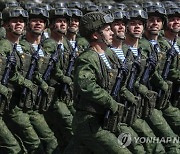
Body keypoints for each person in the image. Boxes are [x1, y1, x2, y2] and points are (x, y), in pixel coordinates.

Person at [66, 11, 132, 154]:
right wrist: (111, 102)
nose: (112, 33)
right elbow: (87, 86)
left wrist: (128, 95)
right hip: (89, 122)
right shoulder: (88, 58)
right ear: (96, 35)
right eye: (107, 30)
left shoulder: (110, 55)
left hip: (105, 118)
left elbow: (116, 82)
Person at [122, 9, 166, 153]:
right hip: (126, 106)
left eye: (140, 24)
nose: (137, 27)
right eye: (133, 23)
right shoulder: (120, 51)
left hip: (143, 104)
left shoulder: (142, 50)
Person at [0, 6, 44, 153]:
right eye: (14, 21)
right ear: (5, 25)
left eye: (21, 21)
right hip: (8, 103)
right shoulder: (3, 46)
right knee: (18, 146)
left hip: (19, 102)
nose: (18, 24)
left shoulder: (23, 47)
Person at [20, 6, 59, 153]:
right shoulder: (21, 47)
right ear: (28, 24)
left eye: (41, 21)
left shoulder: (45, 47)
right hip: (25, 104)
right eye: (34, 20)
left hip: (41, 102)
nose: (38, 24)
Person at [143, 5, 180, 153]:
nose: (155, 23)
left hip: (164, 100)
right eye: (151, 20)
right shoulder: (141, 46)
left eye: (158, 20)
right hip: (148, 102)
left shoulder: (163, 44)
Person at [42, 7, 75, 151]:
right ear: (51, 25)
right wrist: (64, 78)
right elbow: (50, 69)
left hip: (67, 94)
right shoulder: (49, 44)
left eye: (64, 22)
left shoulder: (67, 44)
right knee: (70, 126)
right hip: (54, 94)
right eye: (59, 21)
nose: (62, 24)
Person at [163, 6, 180, 135]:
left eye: (178, 19)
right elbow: (167, 70)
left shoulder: (178, 42)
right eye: (172, 19)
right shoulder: (160, 43)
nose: (176, 22)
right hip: (168, 95)